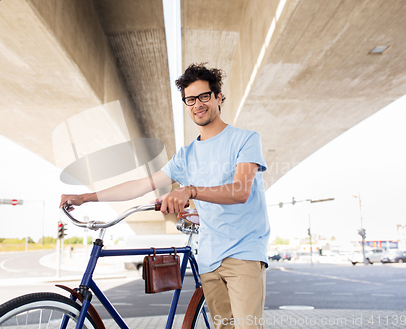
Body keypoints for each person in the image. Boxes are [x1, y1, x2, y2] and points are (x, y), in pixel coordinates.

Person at [60, 63, 270, 329]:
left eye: (204, 96)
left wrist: (190, 190)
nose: (197, 104)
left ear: (218, 97)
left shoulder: (245, 139)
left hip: (244, 252)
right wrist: (86, 197)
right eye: (190, 99)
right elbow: (141, 185)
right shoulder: (186, 156)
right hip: (208, 256)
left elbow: (241, 191)